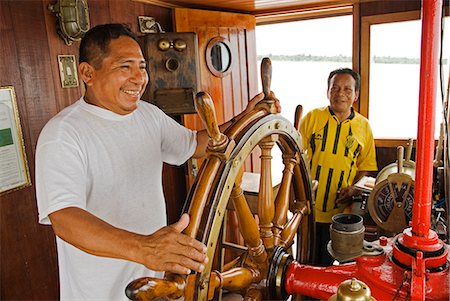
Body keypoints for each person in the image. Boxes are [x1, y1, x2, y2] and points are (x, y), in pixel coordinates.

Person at [35, 23, 268, 300]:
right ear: (87, 73)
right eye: (125, 67)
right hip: (102, 292)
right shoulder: (63, 133)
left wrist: (246, 117)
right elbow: (65, 218)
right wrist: (144, 248)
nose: (139, 78)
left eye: (142, 67)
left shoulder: (149, 115)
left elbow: (196, 143)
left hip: (157, 284)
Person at [299, 68, 377, 266]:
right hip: (310, 208)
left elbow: (365, 166)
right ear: (328, 92)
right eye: (335, 88)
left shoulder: (364, 127)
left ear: (356, 95)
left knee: (336, 265)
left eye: (347, 89)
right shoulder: (311, 118)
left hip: (342, 212)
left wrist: (353, 189)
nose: (340, 94)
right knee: (307, 261)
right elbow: (296, 158)